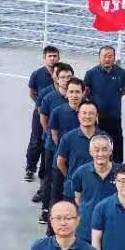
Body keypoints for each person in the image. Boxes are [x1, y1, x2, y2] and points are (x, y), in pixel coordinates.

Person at [33, 62, 75, 209]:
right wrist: (52, 137)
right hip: (53, 146)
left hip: (73, 149)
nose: (66, 80)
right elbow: (43, 120)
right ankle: (46, 209)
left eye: (69, 76)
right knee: (50, 178)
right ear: (56, 79)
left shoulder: (78, 99)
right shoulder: (49, 98)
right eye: (62, 77)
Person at [83, 45, 125, 163]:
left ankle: (118, 166)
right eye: (104, 56)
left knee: (117, 142)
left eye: (110, 56)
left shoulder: (121, 72)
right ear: (99, 57)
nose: (107, 59)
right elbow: (86, 93)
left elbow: (124, 90)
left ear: (114, 57)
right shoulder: (91, 74)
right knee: (98, 143)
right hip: (97, 117)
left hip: (115, 116)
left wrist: (112, 98)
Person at [46, 80, 86, 216]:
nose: (74, 95)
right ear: (66, 94)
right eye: (71, 92)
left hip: (80, 163)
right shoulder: (58, 112)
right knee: (56, 197)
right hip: (61, 161)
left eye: (77, 92)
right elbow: (55, 135)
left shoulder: (87, 112)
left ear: (83, 93)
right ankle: (51, 225)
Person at [25, 45, 61, 182]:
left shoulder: (62, 73)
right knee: (36, 141)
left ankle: (44, 172)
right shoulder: (37, 74)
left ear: (59, 57)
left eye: (54, 56)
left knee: (50, 143)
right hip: (40, 113)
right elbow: (32, 92)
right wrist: (40, 105)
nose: (52, 58)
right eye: (49, 56)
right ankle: (30, 168)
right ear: (44, 58)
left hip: (55, 114)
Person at [66, 133, 118, 223]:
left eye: (105, 149)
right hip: (87, 223)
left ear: (110, 151)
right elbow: (78, 198)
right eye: (96, 150)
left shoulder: (121, 172)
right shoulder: (81, 172)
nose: (100, 154)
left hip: (114, 221)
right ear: (90, 152)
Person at [55, 100, 102, 191]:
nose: (87, 116)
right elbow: (60, 162)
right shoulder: (68, 138)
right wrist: (71, 177)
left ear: (96, 116)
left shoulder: (104, 138)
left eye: (91, 113)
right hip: (73, 189)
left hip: (96, 188)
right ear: (78, 116)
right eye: (84, 113)